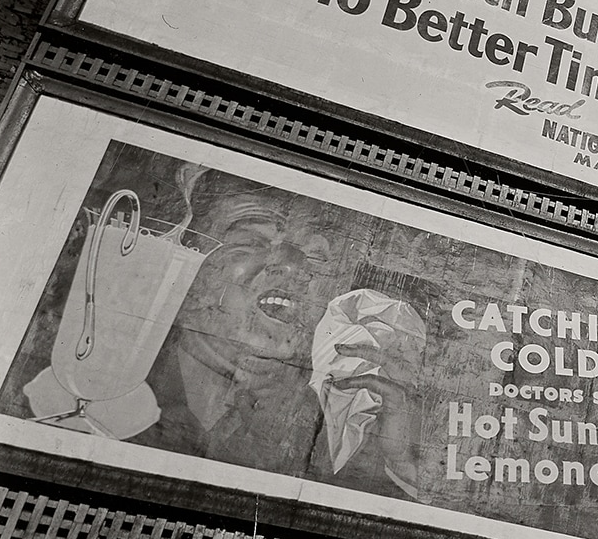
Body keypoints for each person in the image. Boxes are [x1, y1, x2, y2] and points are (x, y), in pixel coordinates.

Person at [130, 169, 428, 501]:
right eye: (251, 241)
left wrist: (401, 463)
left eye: (317, 256)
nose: (293, 266)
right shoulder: (114, 386)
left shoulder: (342, 429)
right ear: (186, 257)